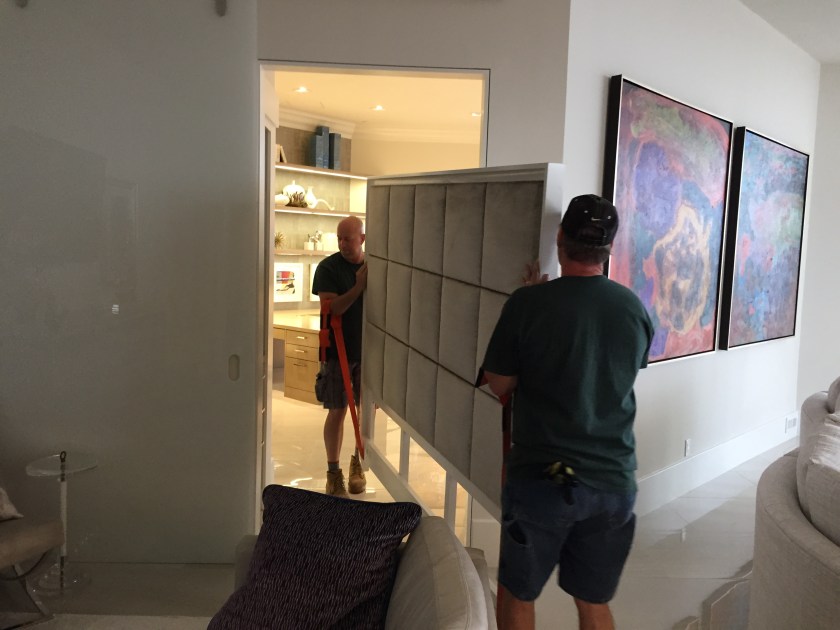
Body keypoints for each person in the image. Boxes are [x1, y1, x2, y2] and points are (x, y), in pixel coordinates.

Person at [480, 194, 654, 630]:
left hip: (542, 480)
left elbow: (499, 384)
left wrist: (532, 306)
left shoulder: (527, 304)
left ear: (560, 237)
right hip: (613, 482)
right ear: (609, 247)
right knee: (593, 602)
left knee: (518, 594)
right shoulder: (633, 308)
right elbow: (618, 372)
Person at [311, 215, 368, 498]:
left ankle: (359, 464)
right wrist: (358, 287)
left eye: (348, 239)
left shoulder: (374, 266)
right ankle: (333, 474)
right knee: (338, 410)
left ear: (362, 239)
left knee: (365, 411)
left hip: (369, 351)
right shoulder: (328, 268)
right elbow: (332, 308)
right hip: (337, 351)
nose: (343, 244)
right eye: (339, 238)